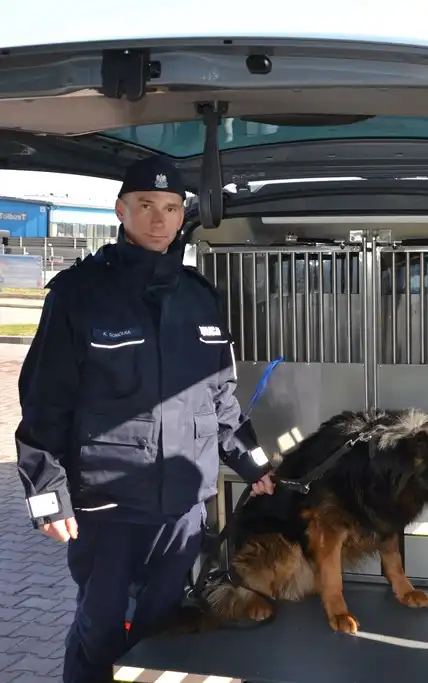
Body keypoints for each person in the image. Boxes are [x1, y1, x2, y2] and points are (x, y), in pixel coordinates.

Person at [15, 155, 277, 683]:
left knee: (161, 625)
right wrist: (48, 499)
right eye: (145, 206)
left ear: (182, 216)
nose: (159, 219)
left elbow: (220, 396)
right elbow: (45, 401)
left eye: (171, 208)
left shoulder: (200, 299)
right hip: (110, 501)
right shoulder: (78, 293)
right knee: (102, 626)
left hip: (182, 501)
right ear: (121, 210)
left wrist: (254, 465)